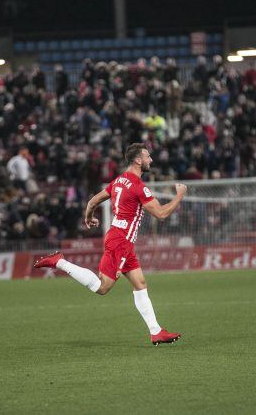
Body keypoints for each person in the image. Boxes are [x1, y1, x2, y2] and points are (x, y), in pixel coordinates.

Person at [33, 143, 187, 346]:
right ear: (138, 160)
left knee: (140, 284)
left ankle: (156, 331)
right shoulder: (140, 187)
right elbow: (161, 214)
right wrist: (179, 196)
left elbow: (92, 202)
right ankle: (60, 262)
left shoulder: (118, 181)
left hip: (120, 240)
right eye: (148, 156)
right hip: (120, 241)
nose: (151, 160)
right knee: (102, 287)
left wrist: (89, 217)